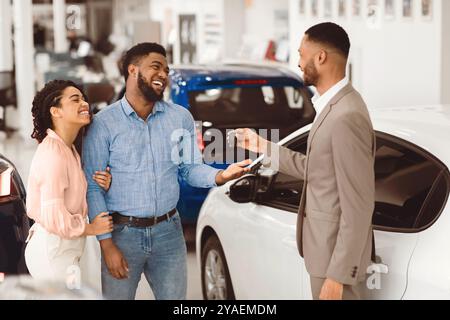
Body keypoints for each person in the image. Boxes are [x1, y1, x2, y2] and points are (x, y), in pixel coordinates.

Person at [82, 42, 251, 300]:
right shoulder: (104, 124)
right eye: (156, 67)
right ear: (133, 70)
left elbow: (189, 169)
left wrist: (220, 175)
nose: (163, 74)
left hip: (169, 234)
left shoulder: (180, 117)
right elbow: (93, 187)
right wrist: (106, 245)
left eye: (166, 69)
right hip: (122, 235)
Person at [235, 22, 376, 300]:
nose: (298, 62)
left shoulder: (346, 116)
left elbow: (358, 205)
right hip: (325, 257)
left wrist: (337, 275)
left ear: (320, 57)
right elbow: (317, 169)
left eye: (301, 54)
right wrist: (262, 146)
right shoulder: (335, 107)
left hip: (335, 263)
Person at [25, 80, 114, 289]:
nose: (84, 103)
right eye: (75, 99)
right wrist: (92, 228)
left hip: (66, 244)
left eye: (83, 98)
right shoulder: (53, 154)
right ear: (56, 111)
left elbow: (72, 198)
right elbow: (53, 216)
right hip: (54, 247)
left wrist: (102, 185)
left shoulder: (68, 149)